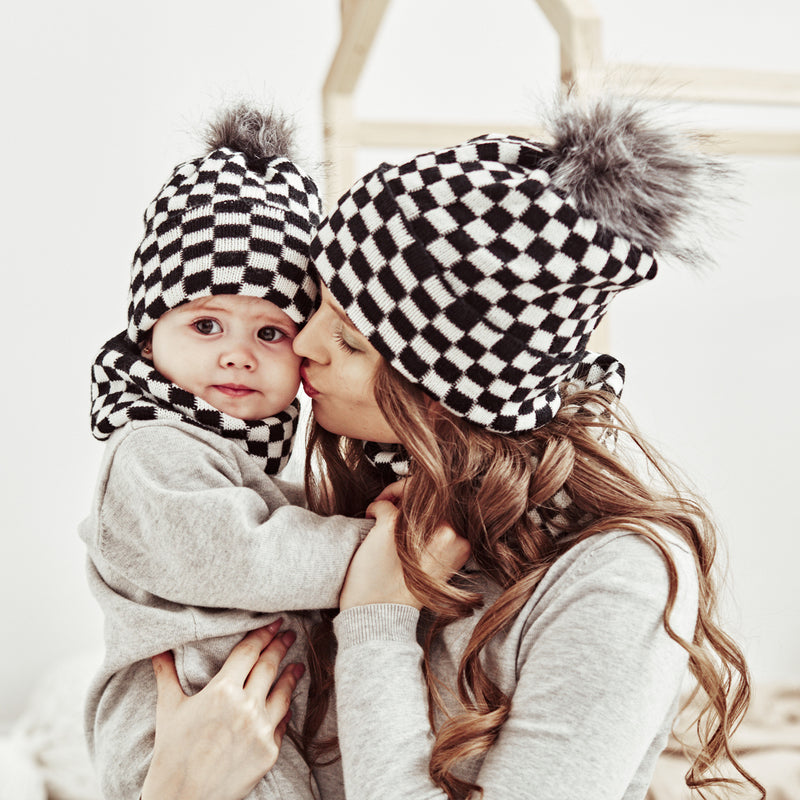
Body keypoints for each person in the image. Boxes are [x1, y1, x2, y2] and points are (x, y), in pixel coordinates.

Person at [141, 96, 764, 800]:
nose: (304, 344)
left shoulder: (615, 581)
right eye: (315, 304)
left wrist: (377, 624)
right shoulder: (363, 507)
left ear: (447, 395)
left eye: (348, 339)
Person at [79, 105, 381, 800]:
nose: (238, 355)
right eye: (206, 323)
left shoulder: (236, 452)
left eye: (271, 333)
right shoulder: (149, 450)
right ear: (148, 338)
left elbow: (266, 523)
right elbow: (243, 554)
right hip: (172, 720)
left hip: (252, 704)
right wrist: (379, 548)